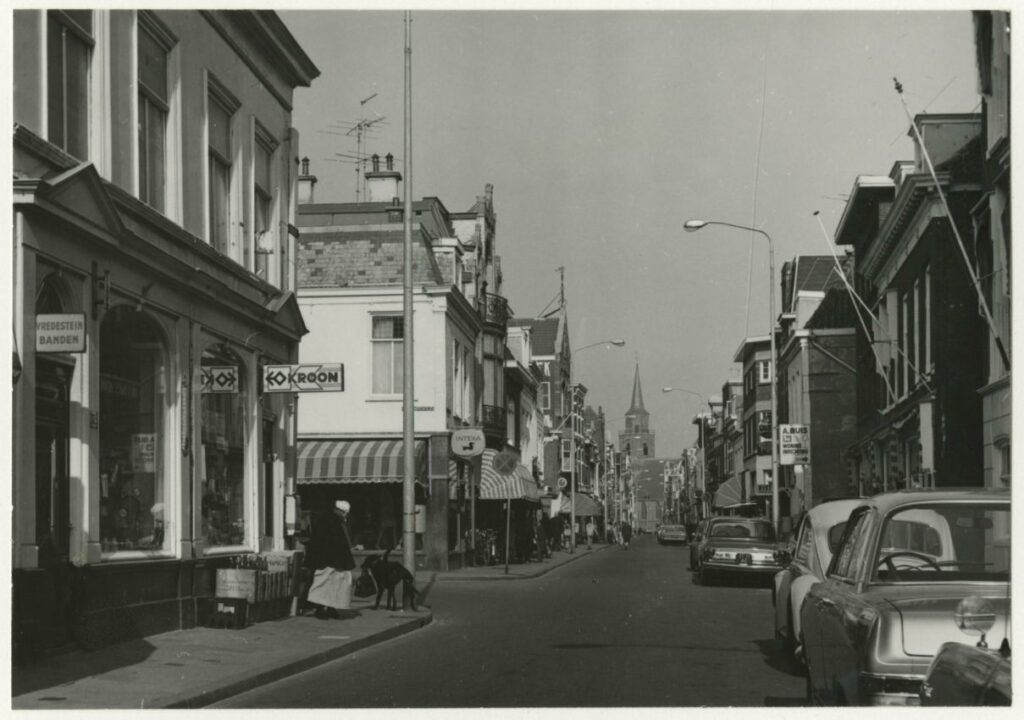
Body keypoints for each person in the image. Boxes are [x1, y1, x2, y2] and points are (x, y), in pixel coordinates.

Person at [305, 499, 356, 619]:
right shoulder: (333, 522)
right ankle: (324, 608)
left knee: (326, 584)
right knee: (330, 584)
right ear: (341, 512)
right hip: (331, 560)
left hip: (327, 560)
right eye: (345, 513)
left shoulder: (329, 520)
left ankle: (326, 608)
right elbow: (335, 543)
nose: (345, 516)